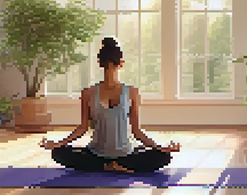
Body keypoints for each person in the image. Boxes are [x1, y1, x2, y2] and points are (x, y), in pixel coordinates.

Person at [39, 37, 181, 173]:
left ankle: (103, 166)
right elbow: (136, 131)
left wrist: (160, 148)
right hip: (103, 154)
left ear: (99, 63)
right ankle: (119, 166)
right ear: (122, 63)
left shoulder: (128, 92)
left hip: (116, 154)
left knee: (163, 155)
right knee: (59, 152)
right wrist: (58, 144)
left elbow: (83, 128)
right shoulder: (90, 93)